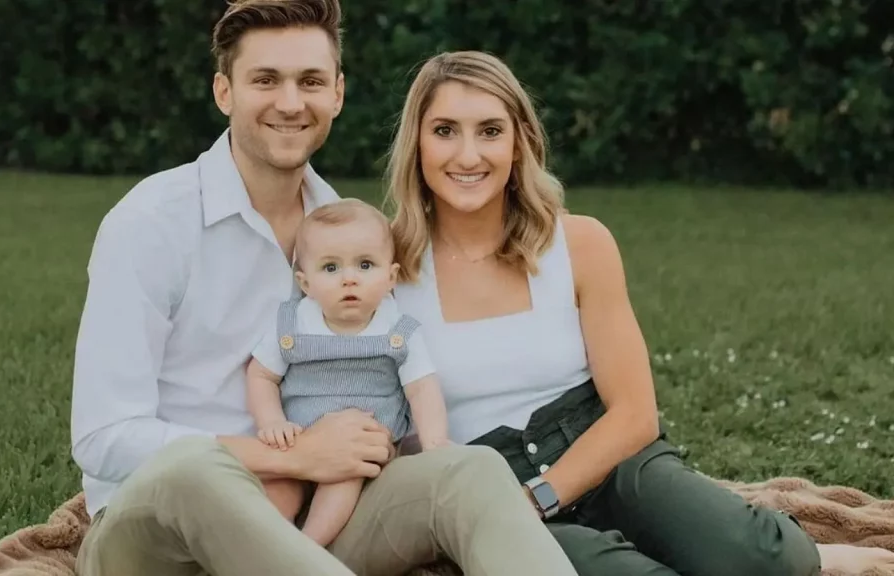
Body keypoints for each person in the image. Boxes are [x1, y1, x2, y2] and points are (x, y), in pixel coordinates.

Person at [68, 1, 581, 575]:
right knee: (196, 468)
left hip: (312, 516)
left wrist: (379, 441)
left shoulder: (343, 228)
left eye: (310, 81)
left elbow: (389, 370)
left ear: (336, 94)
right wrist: (291, 454)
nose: (291, 102)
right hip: (160, 531)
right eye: (265, 80)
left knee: (473, 470)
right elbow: (104, 438)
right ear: (224, 92)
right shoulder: (150, 223)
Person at [387, 50, 894, 576]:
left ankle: (814, 553)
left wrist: (543, 493)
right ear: (418, 143)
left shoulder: (580, 243)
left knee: (755, 557)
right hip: (489, 487)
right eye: (446, 130)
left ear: (520, 141)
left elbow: (634, 413)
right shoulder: (386, 270)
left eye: (491, 131)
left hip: (608, 456)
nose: (469, 155)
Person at [246, 198, 451, 547]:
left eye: (365, 265)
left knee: (343, 478)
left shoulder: (398, 331)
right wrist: (271, 422)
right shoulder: (293, 323)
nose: (349, 279)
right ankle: (265, 552)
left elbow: (422, 389)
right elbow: (262, 375)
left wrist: (435, 443)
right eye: (330, 268)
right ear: (305, 283)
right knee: (275, 489)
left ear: (391, 277)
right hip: (298, 442)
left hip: (361, 447)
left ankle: (306, 549)